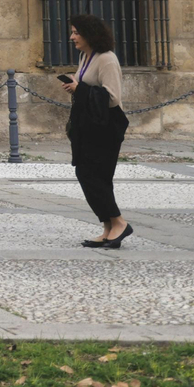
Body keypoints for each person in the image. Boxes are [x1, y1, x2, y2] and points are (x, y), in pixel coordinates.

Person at [64, 13, 131, 248]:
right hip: (88, 125)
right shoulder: (86, 56)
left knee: (94, 176)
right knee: (89, 174)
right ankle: (108, 228)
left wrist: (79, 89)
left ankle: (120, 223)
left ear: (89, 34)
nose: (72, 37)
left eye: (76, 32)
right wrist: (76, 85)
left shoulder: (107, 59)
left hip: (106, 126)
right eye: (72, 32)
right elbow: (88, 87)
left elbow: (112, 98)